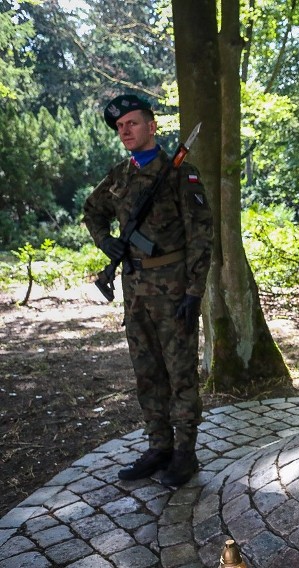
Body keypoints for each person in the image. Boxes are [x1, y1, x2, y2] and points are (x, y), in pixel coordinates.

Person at [83, 94, 213, 486]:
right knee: (147, 373)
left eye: (132, 123)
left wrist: (194, 292)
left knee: (180, 373)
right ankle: (159, 447)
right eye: (120, 127)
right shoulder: (119, 176)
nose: (125, 131)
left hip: (173, 289)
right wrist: (107, 242)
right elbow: (93, 211)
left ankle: (185, 454)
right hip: (134, 289)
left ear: (152, 127)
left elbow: (201, 236)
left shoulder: (179, 174)